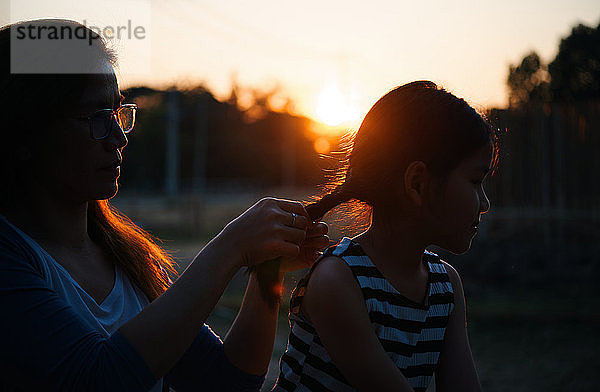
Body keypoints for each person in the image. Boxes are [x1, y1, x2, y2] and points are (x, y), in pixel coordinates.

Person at [0, 19, 329, 391]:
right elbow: (100, 378)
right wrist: (230, 248)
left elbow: (225, 381)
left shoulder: (126, 257)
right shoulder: (10, 259)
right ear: (24, 131)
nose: (119, 137)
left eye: (119, 113)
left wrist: (267, 273)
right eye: (94, 118)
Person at [274, 81, 499, 391]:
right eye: (476, 182)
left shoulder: (446, 287)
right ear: (417, 183)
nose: (485, 204)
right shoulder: (338, 281)